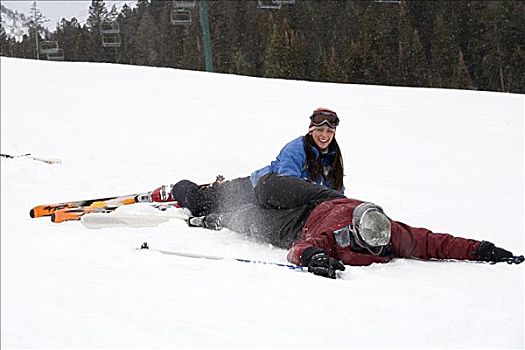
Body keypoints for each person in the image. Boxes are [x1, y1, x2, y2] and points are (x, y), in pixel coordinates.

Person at [185, 173, 524, 279]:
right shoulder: (389, 228)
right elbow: (437, 240)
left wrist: (314, 258)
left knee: (246, 219)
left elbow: (436, 244)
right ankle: (217, 194)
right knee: (269, 186)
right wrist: (483, 247)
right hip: (323, 198)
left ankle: (211, 214)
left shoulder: (370, 240)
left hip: (296, 225)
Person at [149, 108, 345, 217]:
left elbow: (335, 191)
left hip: (269, 201)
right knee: (201, 204)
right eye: (320, 130)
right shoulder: (297, 148)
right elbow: (287, 186)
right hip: (254, 188)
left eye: (329, 132)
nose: (324, 136)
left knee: (230, 212)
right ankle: (178, 189)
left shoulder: (332, 157)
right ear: (311, 130)